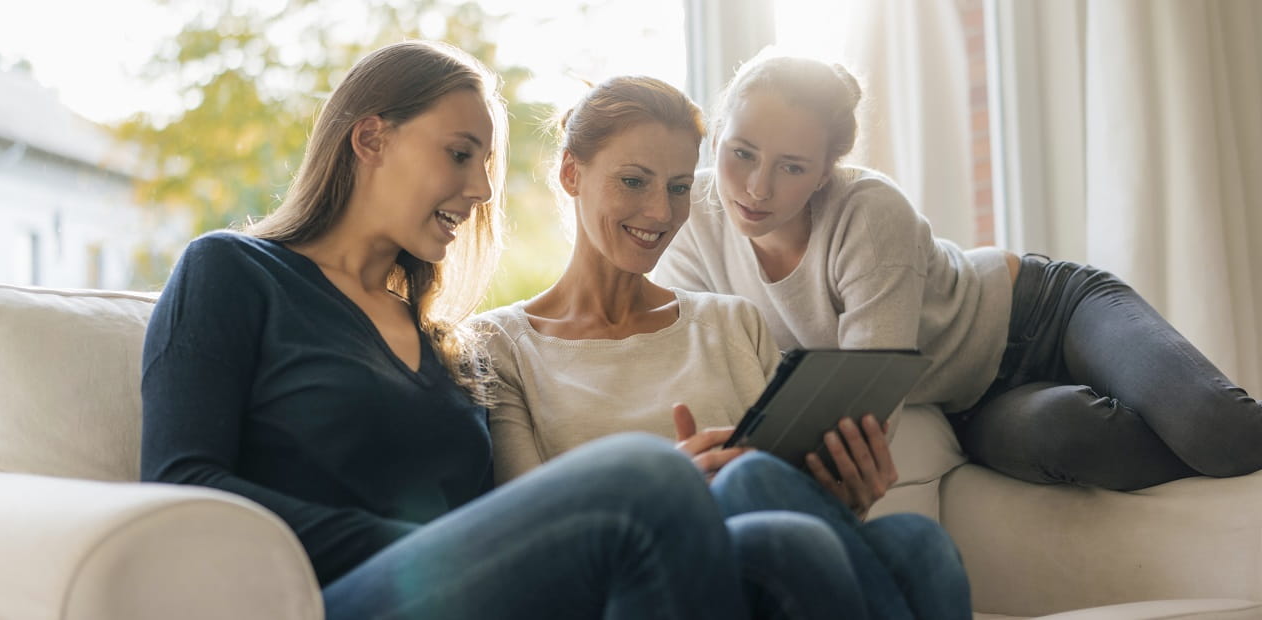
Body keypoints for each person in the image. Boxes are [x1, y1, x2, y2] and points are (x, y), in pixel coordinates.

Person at [140, 40, 823, 620]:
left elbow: (502, 518)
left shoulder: (444, 343)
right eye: (461, 154)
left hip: (468, 590)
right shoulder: (233, 272)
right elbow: (183, 484)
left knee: (781, 544)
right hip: (329, 599)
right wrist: (426, 543)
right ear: (371, 139)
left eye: (487, 166)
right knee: (646, 476)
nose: (483, 192)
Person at [651, 48, 1262, 491]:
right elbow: (707, 370)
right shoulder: (690, 225)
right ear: (716, 135)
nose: (757, 187)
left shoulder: (868, 211)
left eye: (792, 167)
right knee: (1067, 435)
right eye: (742, 153)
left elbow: (871, 394)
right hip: (968, 400)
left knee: (1219, 431)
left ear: (828, 166)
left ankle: (1203, 435)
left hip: (1045, 313)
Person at [476, 75, 971, 620]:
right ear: (572, 172)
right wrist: (666, 489)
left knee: (916, 543)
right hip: (638, 587)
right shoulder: (503, 347)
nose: (662, 214)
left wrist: (842, 495)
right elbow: (532, 536)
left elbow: (791, 503)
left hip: (781, 580)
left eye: (679, 187)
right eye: (635, 181)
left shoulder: (733, 321)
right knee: (753, 484)